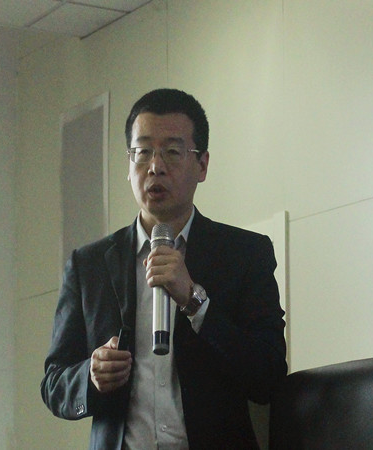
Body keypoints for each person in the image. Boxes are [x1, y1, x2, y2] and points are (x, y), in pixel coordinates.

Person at [41, 88, 287, 449]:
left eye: (172, 152)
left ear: (202, 165)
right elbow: (54, 383)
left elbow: (268, 376)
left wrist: (195, 302)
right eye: (142, 152)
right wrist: (89, 376)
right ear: (128, 166)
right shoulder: (88, 265)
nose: (155, 166)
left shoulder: (245, 254)